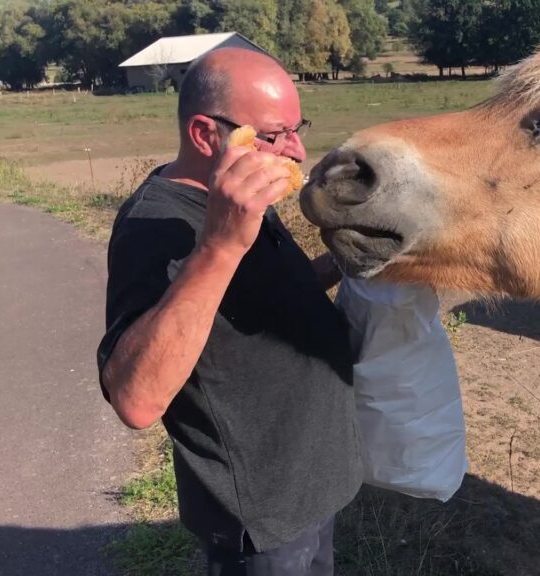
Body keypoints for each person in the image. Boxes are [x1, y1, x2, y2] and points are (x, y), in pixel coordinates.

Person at [97, 47, 362, 576]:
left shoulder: (240, 194)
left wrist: (345, 261)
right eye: (273, 135)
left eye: (297, 128)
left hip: (308, 489)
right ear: (204, 134)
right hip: (262, 516)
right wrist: (219, 246)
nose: (298, 151)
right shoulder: (158, 227)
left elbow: (270, 294)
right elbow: (136, 399)